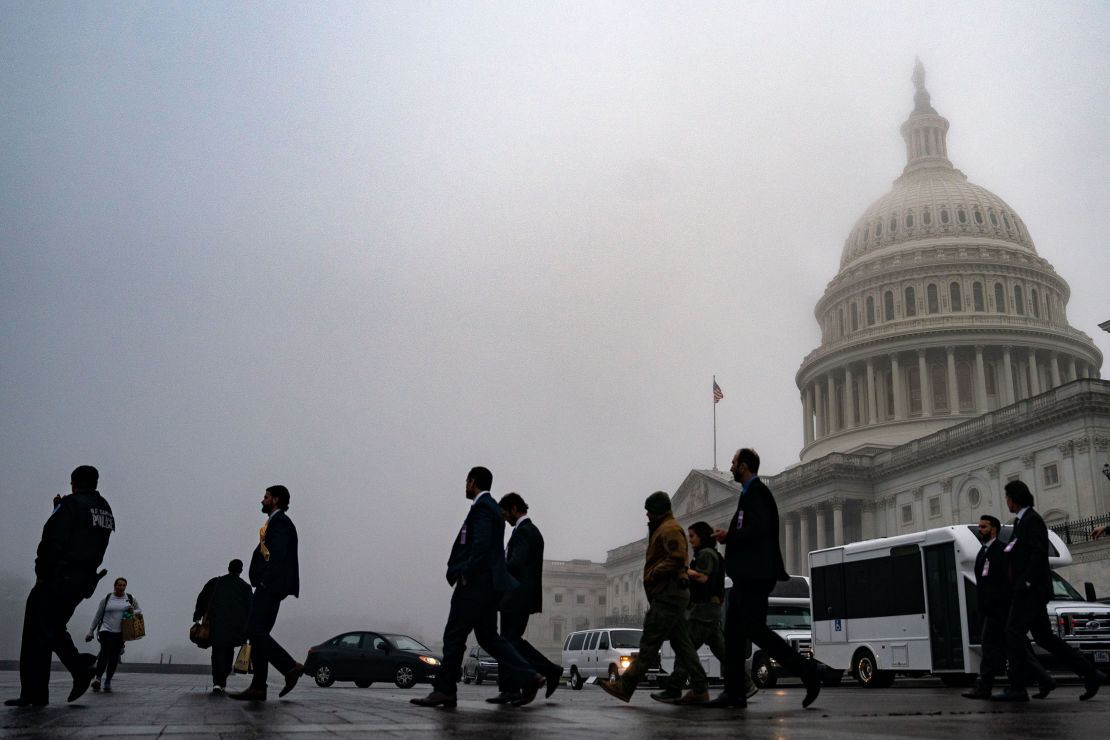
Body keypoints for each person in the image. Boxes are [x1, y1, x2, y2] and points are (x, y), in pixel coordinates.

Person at [411, 467, 546, 708]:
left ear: (472, 482)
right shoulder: (493, 509)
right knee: (490, 638)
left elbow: (481, 545)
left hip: (474, 584)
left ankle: (444, 690)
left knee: (453, 636)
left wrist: (466, 573)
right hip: (489, 586)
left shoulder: (483, 508)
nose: (465, 485)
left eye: (467, 481)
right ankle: (529, 675)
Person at [706, 448, 822, 709]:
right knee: (733, 635)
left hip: (754, 577)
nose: (731, 466)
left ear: (744, 466)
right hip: (745, 578)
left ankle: (807, 671)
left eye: (734, 462)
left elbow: (758, 530)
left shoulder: (758, 494)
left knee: (755, 631)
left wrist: (729, 536)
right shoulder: (749, 495)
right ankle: (734, 692)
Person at [6, 465, 114, 707]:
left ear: (74, 483)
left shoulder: (71, 504)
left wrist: (42, 573)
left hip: (57, 578)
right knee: (52, 628)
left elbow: (53, 540)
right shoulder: (105, 509)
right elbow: (88, 539)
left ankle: (35, 692)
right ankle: (79, 668)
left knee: (36, 632)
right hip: (82, 581)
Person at [993, 480, 1105, 702]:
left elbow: (1037, 553)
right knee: (1045, 638)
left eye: (1007, 497)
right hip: (1031, 589)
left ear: (1014, 498)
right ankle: (1090, 673)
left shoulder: (1032, 520)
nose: (1006, 501)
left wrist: (1025, 582)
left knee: (1013, 633)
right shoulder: (1021, 522)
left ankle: (1019, 686)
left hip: (1030, 590)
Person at [598, 491, 709, 705]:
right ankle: (700, 688)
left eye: (649, 510)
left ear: (658, 511)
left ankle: (625, 685)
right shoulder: (665, 528)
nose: (647, 515)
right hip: (670, 594)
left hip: (669, 594)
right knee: (683, 644)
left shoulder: (670, 529)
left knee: (649, 642)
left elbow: (678, 559)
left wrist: (654, 573)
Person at [651, 521, 757, 703]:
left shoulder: (706, 554)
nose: (690, 540)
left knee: (685, 647)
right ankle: (746, 684)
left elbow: (703, 577)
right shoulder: (710, 554)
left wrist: (682, 570)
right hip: (710, 609)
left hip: (704, 610)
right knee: (723, 651)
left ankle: (677, 688)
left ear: (701, 536)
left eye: (692, 536)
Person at [961, 516, 1054, 700]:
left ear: (993, 529)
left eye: (984, 527)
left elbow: (1008, 581)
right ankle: (1044, 679)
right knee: (1013, 650)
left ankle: (985, 687)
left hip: (1002, 611)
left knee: (996, 649)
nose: (980, 530)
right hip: (991, 611)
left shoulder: (1002, 551)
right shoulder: (983, 552)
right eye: (979, 526)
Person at [485, 493, 564, 705]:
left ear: (513, 508)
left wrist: (495, 565)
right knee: (509, 642)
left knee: (510, 642)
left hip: (516, 596)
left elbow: (515, 563)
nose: (504, 518)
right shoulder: (527, 531)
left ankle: (545, 673)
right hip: (516, 596)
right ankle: (510, 689)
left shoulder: (525, 532)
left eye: (504, 513)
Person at [229, 486, 303, 702]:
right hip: (270, 586)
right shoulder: (275, 522)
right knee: (258, 633)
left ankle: (290, 666)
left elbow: (278, 555)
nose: (262, 500)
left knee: (255, 630)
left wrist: (264, 581)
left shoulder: (280, 522)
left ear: (276, 499)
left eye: (266, 497)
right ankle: (258, 687)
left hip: (270, 587)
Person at [193, 559, 253, 694]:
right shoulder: (245, 587)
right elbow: (251, 608)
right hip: (235, 627)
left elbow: (202, 598)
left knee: (217, 652)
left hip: (216, 624)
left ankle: (217, 683)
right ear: (241, 570)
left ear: (228, 568)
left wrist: (197, 615)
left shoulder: (216, 582)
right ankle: (223, 680)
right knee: (228, 652)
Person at [85, 577, 141, 692]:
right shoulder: (107, 599)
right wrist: (90, 631)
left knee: (114, 657)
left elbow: (139, 611)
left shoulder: (130, 598)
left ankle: (108, 680)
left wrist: (132, 610)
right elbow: (98, 615)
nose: (121, 587)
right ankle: (98, 678)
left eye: (123, 586)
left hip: (121, 632)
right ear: (114, 586)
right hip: (106, 630)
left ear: (125, 586)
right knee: (104, 653)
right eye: (119, 585)